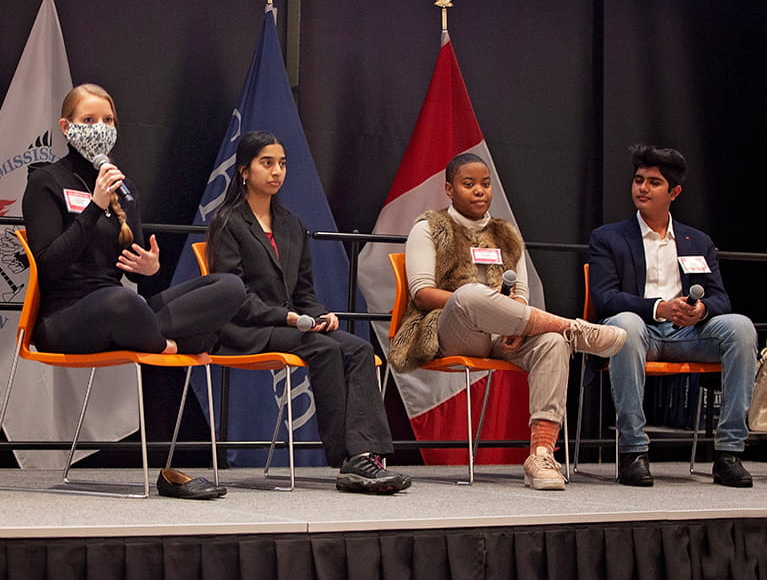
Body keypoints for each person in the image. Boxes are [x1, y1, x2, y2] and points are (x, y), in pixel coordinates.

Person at [22, 83, 246, 499]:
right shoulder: (46, 182)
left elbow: (138, 272)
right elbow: (48, 264)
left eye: (108, 120)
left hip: (124, 315)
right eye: (89, 120)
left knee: (229, 286)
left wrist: (151, 267)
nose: (100, 128)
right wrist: (94, 206)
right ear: (66, 127)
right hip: (66, 319)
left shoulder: (124, 189)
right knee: (122, 301)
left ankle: (162, 343)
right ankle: (176, 344)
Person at [389, 152, 627, 491]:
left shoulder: (507, 235)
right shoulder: (429, 228)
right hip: (449, 328)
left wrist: (514, 320)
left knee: (552, 342)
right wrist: (476, 300)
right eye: (468, 184)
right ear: (449, 189)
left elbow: (521, 295)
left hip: (504, 334)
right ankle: (571, 327)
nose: (479, 191)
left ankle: (541, 455)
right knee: (470, 295)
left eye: (485, 184)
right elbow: (422, 293)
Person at [206, 131, 411, 494]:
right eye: (267, 163)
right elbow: (233, 295)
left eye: (282, 164)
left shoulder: (291, 224)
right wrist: (285, 318)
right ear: (243, 170)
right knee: (324, 349)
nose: (277, 171)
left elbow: (303, 291)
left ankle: (368, 454)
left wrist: (320, 314)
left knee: (359, 348)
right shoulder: (228, 222)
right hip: (245, 327)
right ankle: (348, 459)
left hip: (293, 324)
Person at [589, 144, 757, 488]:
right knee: (625, 325)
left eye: (654, 182)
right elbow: (604, 299)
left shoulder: (697, 240)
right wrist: (659, 307)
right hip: (640, 333)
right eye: (638, 180)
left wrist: (700, 310)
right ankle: (633, 451)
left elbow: (720, 298)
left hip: (688, 335)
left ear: (674, 192)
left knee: (740, 327)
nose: (642, 188)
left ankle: (729, 452)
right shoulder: (608, 237)